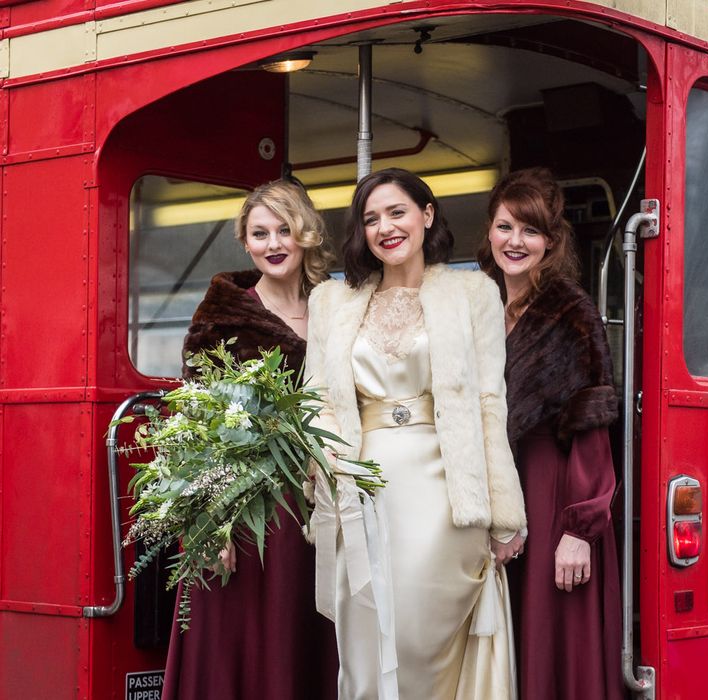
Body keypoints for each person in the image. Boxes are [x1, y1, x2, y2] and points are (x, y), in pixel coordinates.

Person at [305, 168, 527, 700]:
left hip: (445, 497)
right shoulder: (331, 303)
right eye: (371, 218)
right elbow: (316, 403)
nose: (385, 227)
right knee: (364, 649)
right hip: (359, 494)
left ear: (427, 215)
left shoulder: (474, 293)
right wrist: (336, 474)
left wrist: (505, 514)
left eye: (397, 212)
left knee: (416, 646)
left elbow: (488, 404)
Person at [162, 180, 338, 700]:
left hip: (321, 503)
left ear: (306, 233)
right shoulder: (220, 318)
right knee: (247, 643)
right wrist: (208, 526)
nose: (274, 242)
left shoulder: (337, 309)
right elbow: (194, 428)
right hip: (245, 509)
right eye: (260, 233)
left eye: (285, 229)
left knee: (310, 639)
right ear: (244, 241)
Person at [478, 167, 624, 700]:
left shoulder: (570, 310)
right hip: (497, 487)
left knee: (554, 638)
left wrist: (579, 530)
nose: (516, 242)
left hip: (555, 489)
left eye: (530, 231)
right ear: (489, 232)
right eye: (506, 226)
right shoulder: (481, 304)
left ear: (550, 242)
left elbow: (592, 425)